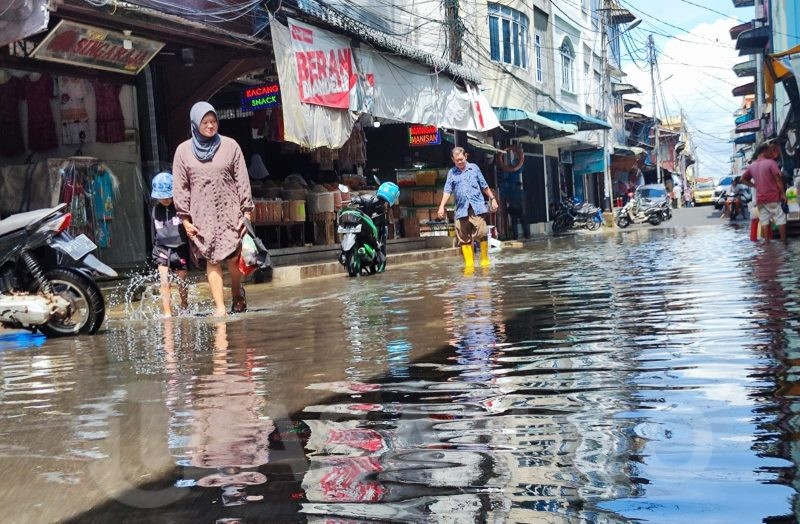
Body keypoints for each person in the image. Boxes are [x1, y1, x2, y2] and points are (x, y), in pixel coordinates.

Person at [173, 101, 254, 316]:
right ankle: (220, 308)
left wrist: (246, 212)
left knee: (234, 257)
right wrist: (185, 219)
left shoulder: (230, 146)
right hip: (202, 215)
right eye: (205, 122)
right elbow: (180, 187)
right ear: (195, 124)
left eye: (213, 121)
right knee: (212, 258)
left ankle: (237, 294)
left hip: (230, 210)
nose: (210, 126)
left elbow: (242, 179)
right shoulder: (183, 151)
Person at [436, 147, 499, 270]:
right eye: (457, 160)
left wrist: (493, 198)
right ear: (453, 160)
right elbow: (447, 191)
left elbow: (484, 185)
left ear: (466, 156)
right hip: (461, 210)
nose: (460, 162)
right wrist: (441, 206)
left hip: (477, 207)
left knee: (482, 233)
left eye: (461, 159)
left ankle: (484, 260)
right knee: (463, 237)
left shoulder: (474, 168)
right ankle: (469, 265)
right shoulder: (452, 173)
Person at [150, 172, 190, 317]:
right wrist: (154, 249)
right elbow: (153, 232)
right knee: (164, 281)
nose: (166, 199)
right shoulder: (155, 210)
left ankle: (184, 306)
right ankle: (167, 312)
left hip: (180, 249)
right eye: (162, 197)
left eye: (168, 195)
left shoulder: (181, 208)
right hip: (162, 248)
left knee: (181, 281)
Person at [740, 142, 787, 242]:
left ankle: (767, 243)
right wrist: (783, 194)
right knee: (780, 218)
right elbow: (778, 180)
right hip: (772, 196)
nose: (771, 153)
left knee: (764, 220)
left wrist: (754, 185)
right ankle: (784, 242)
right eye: (769, 151)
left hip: (760, 199)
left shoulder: (752, 166)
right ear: (764, 151)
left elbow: (742, 179)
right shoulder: (771, 163)